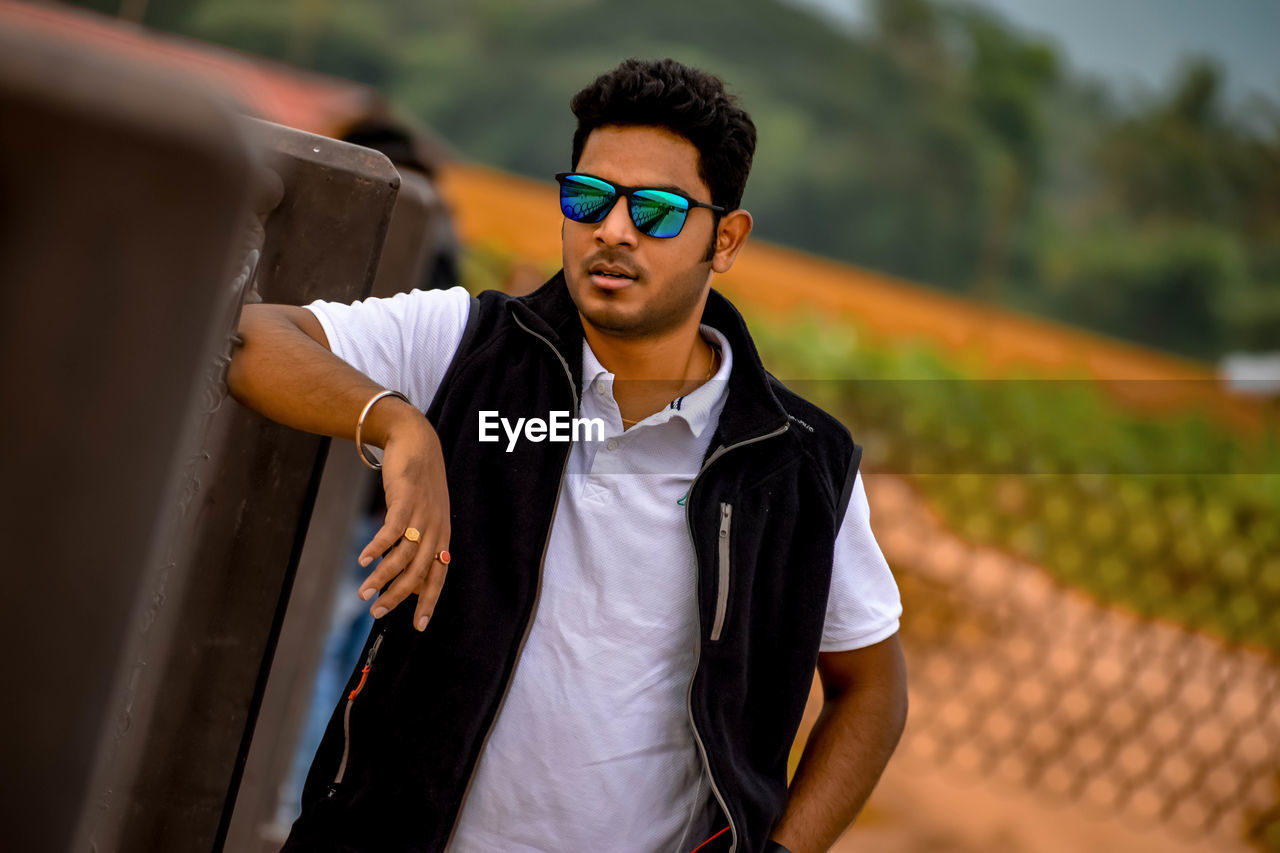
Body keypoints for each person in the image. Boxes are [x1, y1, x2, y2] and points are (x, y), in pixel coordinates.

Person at [229, 58, 907, 853]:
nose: (612, 230)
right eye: (589, 198)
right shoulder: (468, 345)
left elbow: (872, 689)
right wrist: (398, 424)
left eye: (655, 211)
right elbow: (249, 336)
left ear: (725, 237)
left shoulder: (796, 463)